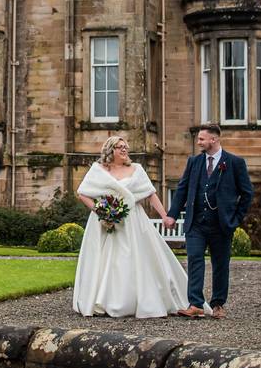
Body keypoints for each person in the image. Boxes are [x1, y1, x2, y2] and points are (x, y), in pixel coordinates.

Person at [72, 136, 189, 318]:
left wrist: (164, 215)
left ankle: (139, 299)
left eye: (125, 147)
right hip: (105, 223)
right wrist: (101, 211)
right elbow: (83, 194)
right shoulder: (98, 170)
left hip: (133, 220)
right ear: (110, 150)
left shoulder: (137, 169)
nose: (124, 150)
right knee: (107, 260)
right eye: (120, 147)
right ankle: (104, 299)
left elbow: (150, 194)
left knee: (135, 257)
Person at [166, 123, 253, 320]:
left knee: (220, 264)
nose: (198, 142)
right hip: (196, 223)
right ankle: (195, 304)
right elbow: (182, 189)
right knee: (195, 259)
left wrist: (235, 218)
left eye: (202, 139)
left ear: (213, 140)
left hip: (222, 224)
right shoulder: (194, 162)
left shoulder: (235, 163)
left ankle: (218, 304)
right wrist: (172, 214)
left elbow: (247, 194)